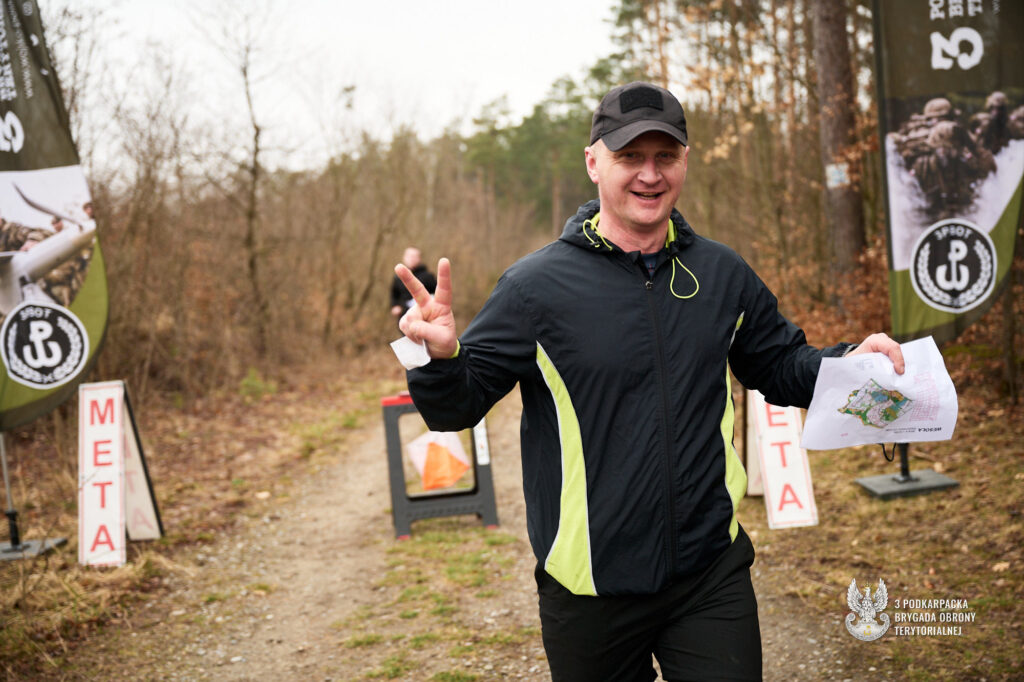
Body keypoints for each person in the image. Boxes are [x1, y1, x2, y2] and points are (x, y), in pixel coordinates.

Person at [394, 82, 905, 681]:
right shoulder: (535, 288)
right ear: (593, 162)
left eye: (666, 156)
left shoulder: (720, 273)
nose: (649, 174)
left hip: (708, 573)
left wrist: (853, 364)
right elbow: (458, 407)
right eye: (629, 157)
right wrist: (442, 357)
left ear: (685, 161)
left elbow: (780, 365)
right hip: (590, 589)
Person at [390, 247, 436, 325]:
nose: (411, 259)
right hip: (404, 315)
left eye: (414, 256)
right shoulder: (398, 277)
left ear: (419, 258)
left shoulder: (428, 276)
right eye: (409, 256)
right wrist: (395, 306)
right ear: (404, 257)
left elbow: (436, 294)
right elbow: (394, 294)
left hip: (424, 316)